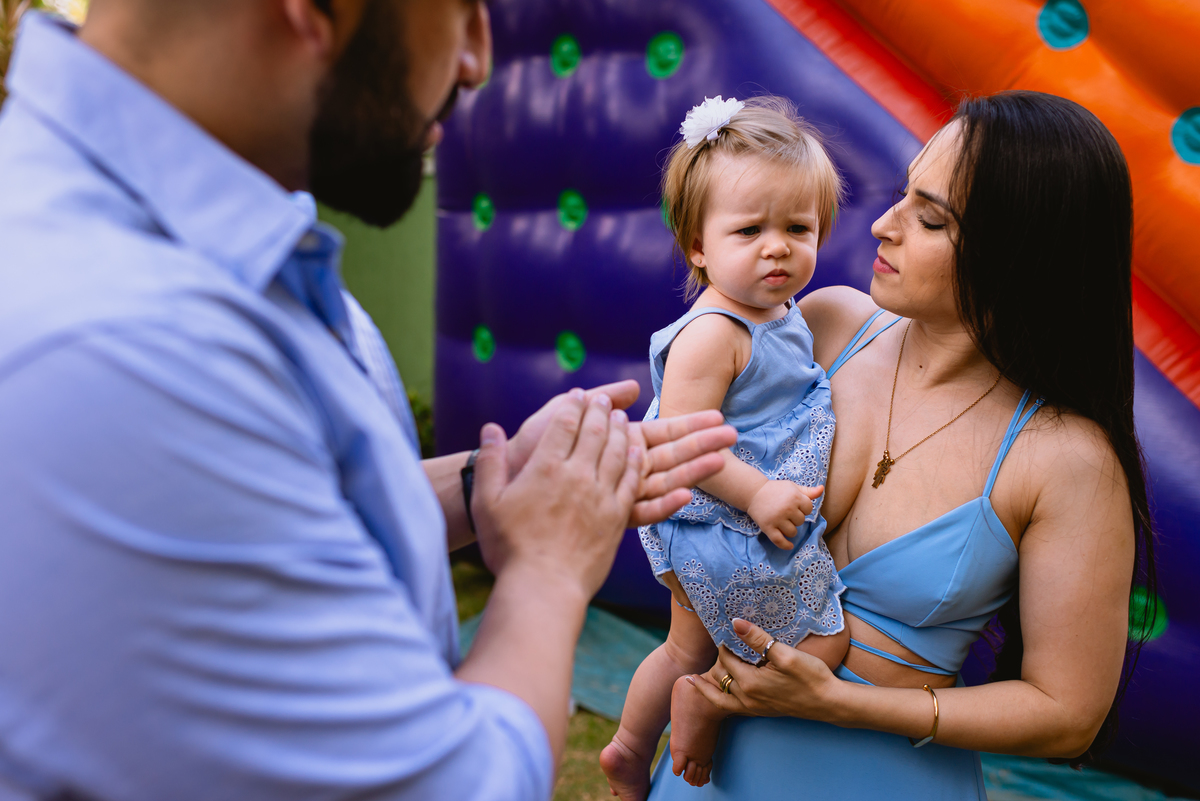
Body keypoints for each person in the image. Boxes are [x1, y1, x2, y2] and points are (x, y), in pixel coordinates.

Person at [0, 2, 739, 799]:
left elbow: (275, 508)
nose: (476, 62)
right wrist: (551, 567)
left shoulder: (205, 255)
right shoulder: (125, 348)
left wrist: (486, 483)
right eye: (461, 9)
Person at [650, 90, 1156, 799]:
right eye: (901, 195)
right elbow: (681, 450)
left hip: (880, 775)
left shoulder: (1066, 458)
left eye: (929, 218)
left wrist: (838, 702)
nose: (884, 226)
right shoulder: (820, 329)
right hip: (709, 767)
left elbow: (1066, 713)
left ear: (1018, 250)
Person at [600, 95, 850, 801]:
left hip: (731, 515)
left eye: (797, 227)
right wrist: (761, 492)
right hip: (716, 516)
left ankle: (628, 747)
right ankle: (708, 696)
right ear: (699, 247)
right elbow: (683, 443)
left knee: (684, 643)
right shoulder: (714, 333)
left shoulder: (776, 310)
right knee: (823, 642)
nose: (777, 246)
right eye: (749, 230)